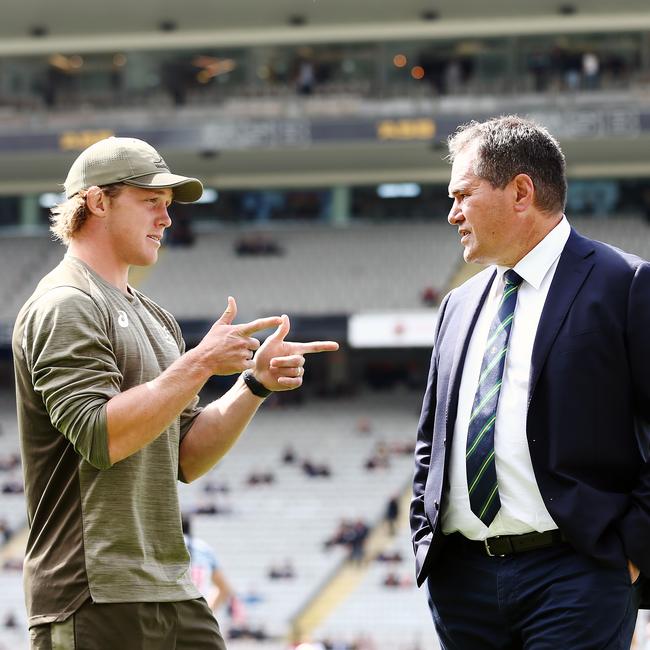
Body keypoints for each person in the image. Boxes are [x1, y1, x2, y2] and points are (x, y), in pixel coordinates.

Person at [12, 136, 339, 650]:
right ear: (98, 202)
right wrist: (200, 363)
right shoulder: (65, 303)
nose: (166, 219)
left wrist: (253, 385)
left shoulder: (155, 316)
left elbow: (185, 456)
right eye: (150, 203)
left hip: (170, 586)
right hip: (92, 593)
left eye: (167, 207)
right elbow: (101, 437)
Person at [411, 115, 649, 648]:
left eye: (463, 195)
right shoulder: (458, 304)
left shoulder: (625, 284)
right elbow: (434, 439)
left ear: (521, 191)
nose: (452, 213)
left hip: (577, 573)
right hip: (462, 584)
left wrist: (631, 552)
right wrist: (425, 536)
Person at [182, 514, 235, 612]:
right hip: (199, 613)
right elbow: (224, 588)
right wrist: (209, 611)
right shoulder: (204, 548)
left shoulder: (164, 548)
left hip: (172, 615)